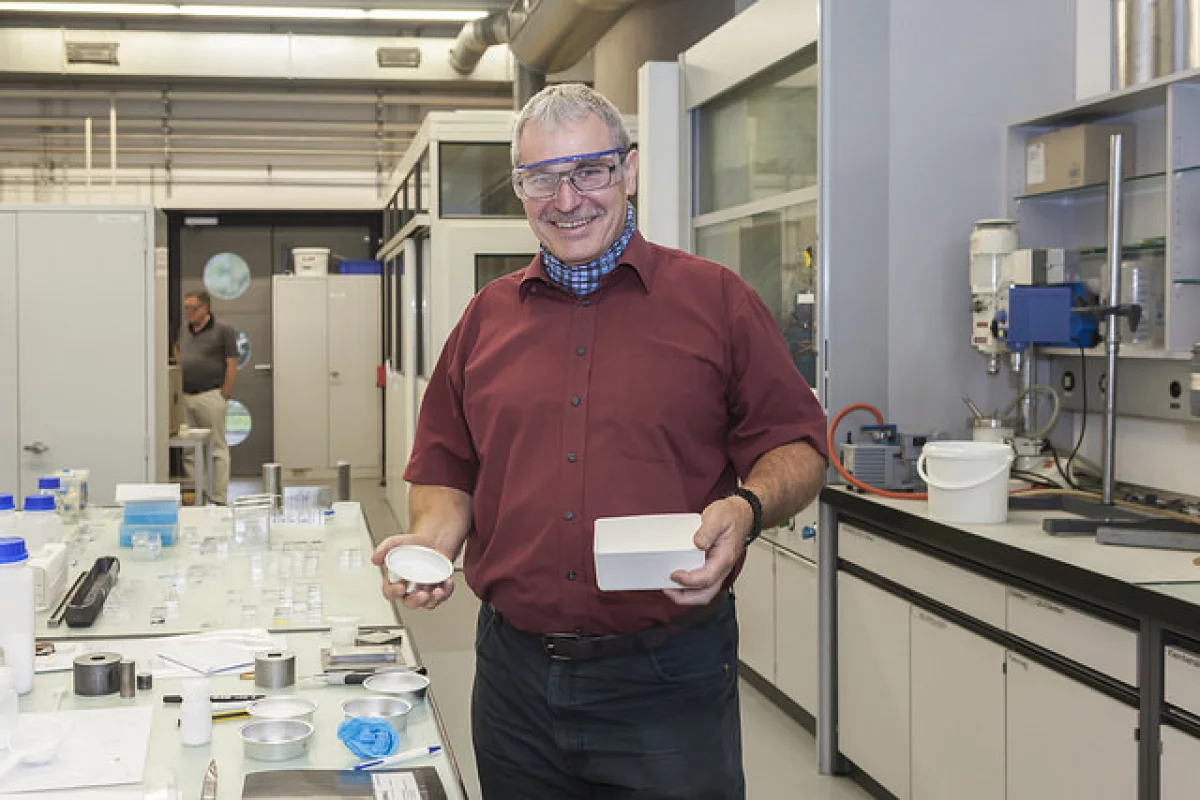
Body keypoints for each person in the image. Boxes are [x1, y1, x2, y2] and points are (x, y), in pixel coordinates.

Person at [372, 84, 828, 799]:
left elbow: (798, 445)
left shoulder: (716, 302)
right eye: (541, 179)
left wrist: (745, 509)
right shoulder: (485, 320)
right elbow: (446, 465)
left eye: (589, 170)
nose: (567, 199)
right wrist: (431, 544)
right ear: (519, 189)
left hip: (667, 679)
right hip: (513, 683)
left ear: (630, 170)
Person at [175, 289, 237, 505]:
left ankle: (219, 497)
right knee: (189, 449)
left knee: (217, 448)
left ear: (205, 308)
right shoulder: (184, 329)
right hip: (186, 396)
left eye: (192, 308)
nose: (188, 313)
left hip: (211, 395)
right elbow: (177, 349)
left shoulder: (223, 330)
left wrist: (225, 393)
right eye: (186, 308)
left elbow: (231, 363)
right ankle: (197, 495)